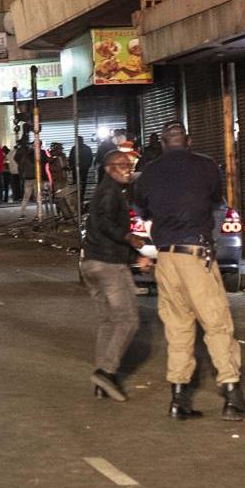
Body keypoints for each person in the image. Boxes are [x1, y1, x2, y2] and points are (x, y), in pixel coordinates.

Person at [131, 123, 245, 422]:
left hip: (166, 258)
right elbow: (216, 204)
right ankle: (232, 397)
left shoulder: (149, 172)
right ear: (188, 141)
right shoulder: (205, 166)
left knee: (177, 329)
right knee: (217, 325)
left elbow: (142, 212)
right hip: (196, 255)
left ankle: (178, 400)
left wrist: (162, 235)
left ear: (163, 143)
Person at [82, 148, 145, 402]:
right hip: (108, 266)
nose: (127, 169)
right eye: (121, 165)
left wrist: (134, 258)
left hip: (92, 264)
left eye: (129, 165)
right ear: (108, 168)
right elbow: (105, 223)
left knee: (108, 321)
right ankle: (107, 372)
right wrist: (128, 237)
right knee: (128, 320)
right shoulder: (109, 192)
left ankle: (102, 382)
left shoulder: (109, 190)